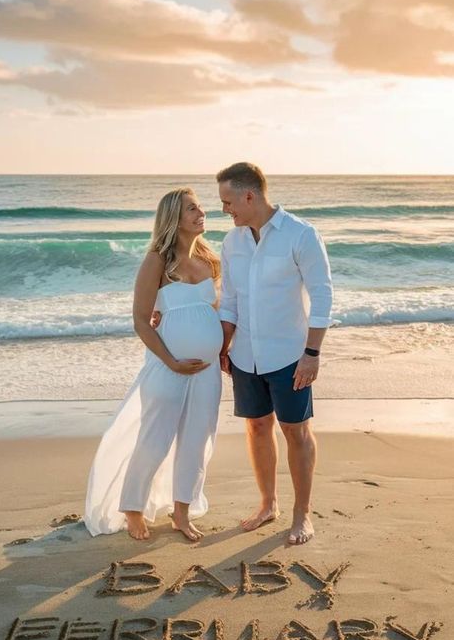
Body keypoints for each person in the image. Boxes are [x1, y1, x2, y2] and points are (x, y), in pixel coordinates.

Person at [84, 188, 222, 542]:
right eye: (192, 208)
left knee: (197, 439)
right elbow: (142, 321)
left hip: (206, 371)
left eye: (200, 207)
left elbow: (213, 311)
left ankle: (181, 512)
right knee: (154, 439)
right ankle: (132, 508)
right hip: (167, 367)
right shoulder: (157, 261)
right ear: (174, 218)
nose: (201, 212)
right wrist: (172, 361)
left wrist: (222, 351)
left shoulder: (210, 261)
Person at [217, 162, 332, 545]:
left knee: (295, 431)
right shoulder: (232, 241)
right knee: (257, 426)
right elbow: (230, 299)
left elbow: (323, 295)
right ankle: (268, 504)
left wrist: (312, 353)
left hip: (289, 356)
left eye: (228, 201)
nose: (225, 210)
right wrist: (223, 345)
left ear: (250, 196)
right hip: (245, 355)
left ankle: (303, 515)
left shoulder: (300, 235)